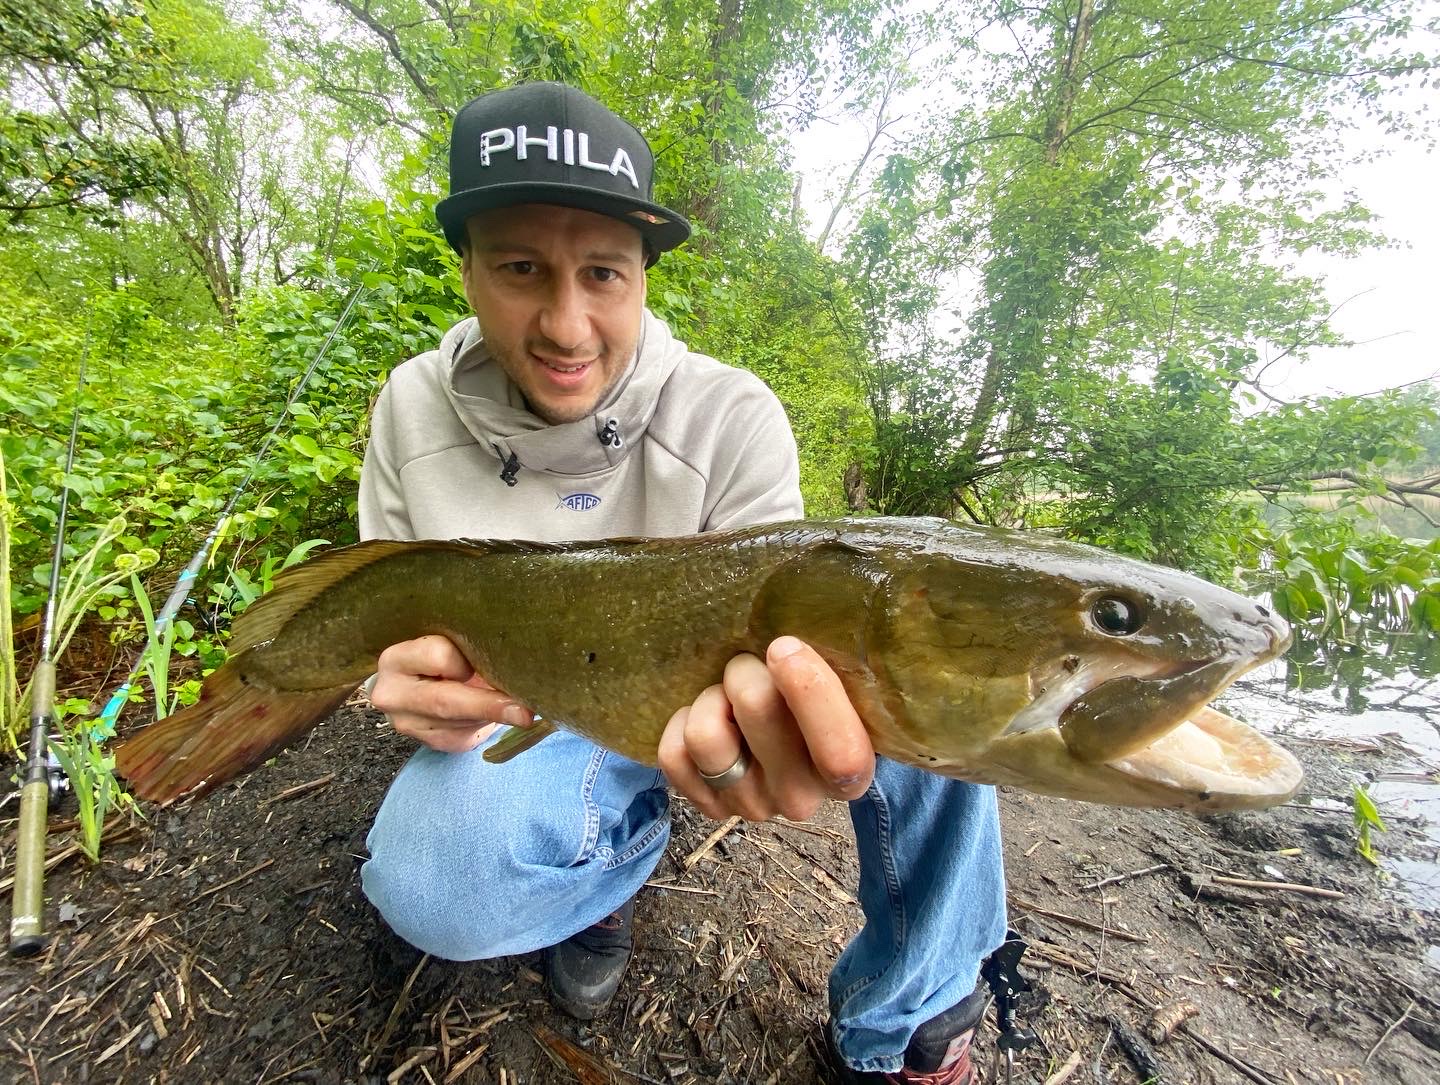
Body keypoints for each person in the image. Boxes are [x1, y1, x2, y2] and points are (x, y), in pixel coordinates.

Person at [357, 81, 1007, 1084]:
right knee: (425, 879)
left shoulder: (732, 416)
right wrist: (416, 696)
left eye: (604, 274)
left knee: (923, 643)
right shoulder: (407, 407)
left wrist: (749, 745)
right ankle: (608, 866)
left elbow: (782, 672)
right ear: (468, 265)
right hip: (520, 718)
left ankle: (908, 1014)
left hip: (685, 709)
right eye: (522, 267)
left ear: (645, 276)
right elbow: (390, 622)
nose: (567, 325)